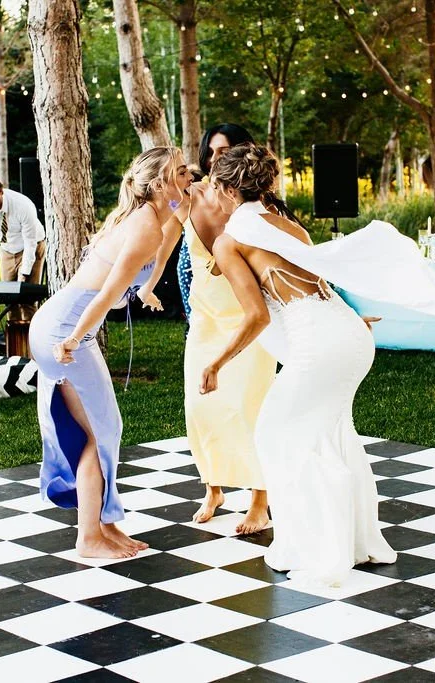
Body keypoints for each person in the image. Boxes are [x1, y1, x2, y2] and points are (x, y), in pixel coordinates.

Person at [201, 144, 435, 586]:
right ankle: (356, 542)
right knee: (329, 434)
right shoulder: (288, 227)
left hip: (320, 343)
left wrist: (216, 362)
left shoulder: (229, 240)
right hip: (349, 333)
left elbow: (258, 315)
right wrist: (350, 321)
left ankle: (319, 549)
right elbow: (314, 287)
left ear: (225, 189)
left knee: (277, 435)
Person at [28, 147, 193, 559]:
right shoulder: (144, 227)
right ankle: (89, 537)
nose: (190, 174)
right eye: (180, 171)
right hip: (67, 329)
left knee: (106, 430)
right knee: (99, 434)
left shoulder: (153, 218)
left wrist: (150, 285)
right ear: (159, 184)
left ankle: (107, 524)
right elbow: (105, 295)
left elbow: (171, 236)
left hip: (68, 325)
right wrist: (71, 340)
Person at [139, 123, 279, 535]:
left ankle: (259, 499)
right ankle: (213, 487)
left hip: (248, 315)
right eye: (214, 152)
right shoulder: (192, 196)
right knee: (201, 407)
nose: (219, 159)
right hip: (205, 314)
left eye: (229, 150)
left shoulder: (255, 205)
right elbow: (166, 240)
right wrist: (148, 283)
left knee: (250, 405)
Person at [175, 124, 256, 320]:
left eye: (223, 152)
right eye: (210, 152)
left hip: (243, 303)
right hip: (199, 302)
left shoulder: (257, 204)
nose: (213, 160)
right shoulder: (186, 196)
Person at [0, 174, 47, 321]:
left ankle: (33, 341)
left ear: (0, 190)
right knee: (9, 300)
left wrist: (24, 274)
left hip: (32, 247)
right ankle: (14, 342)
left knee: (26, 299)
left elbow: (30, 242)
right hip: (7, 249)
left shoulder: (23, 205)